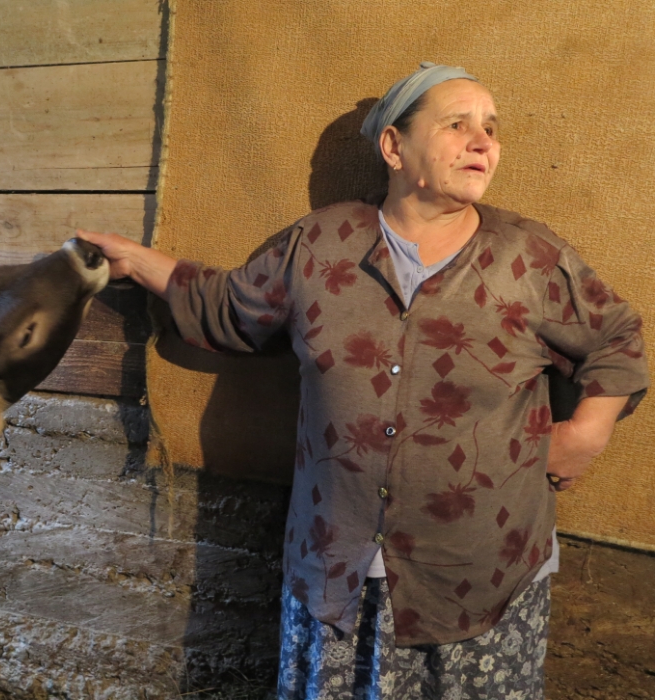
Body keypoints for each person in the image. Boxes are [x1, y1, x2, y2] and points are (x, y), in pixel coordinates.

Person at [77, 63, 649, 699]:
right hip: (338, 565)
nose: (483, 141)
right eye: (457, 125)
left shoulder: (530, 258)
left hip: (479, 577)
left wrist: (588, 432)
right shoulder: (321, 244)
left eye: (491, 128)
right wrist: (140, 260)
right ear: (393, 147)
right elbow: (229, 306)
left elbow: (617, 337)